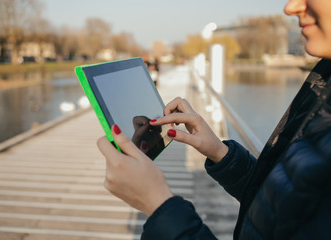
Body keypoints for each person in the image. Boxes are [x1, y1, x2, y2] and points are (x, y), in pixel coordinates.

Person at [97, 0, 331, 239]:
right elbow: (286, 206)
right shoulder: (325, 78)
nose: (291, 7)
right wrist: (221, 153)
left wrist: (157, 204)